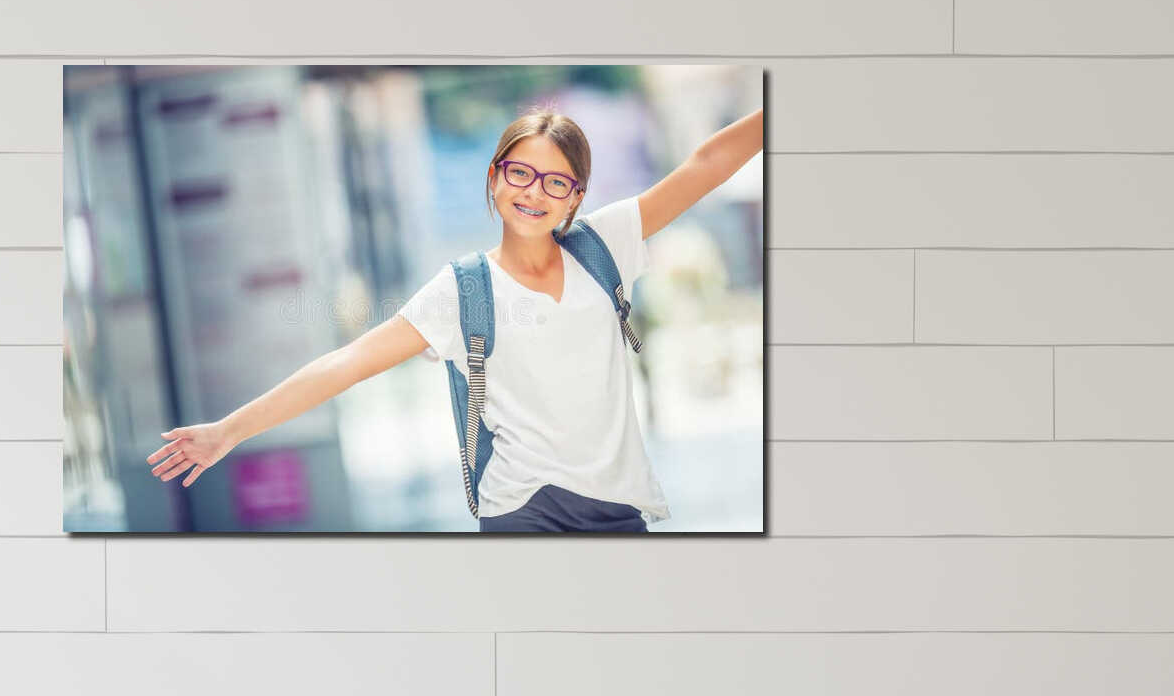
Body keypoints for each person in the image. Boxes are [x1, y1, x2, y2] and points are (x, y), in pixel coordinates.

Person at [146, 104, 764, 532]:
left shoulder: (607, 244)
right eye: (519, 172)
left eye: (556, 181)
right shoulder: (463, 287)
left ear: (576, 196)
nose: (534, 191)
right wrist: (229, 430)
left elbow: (706, 164)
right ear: (495, 180)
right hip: (525, 511)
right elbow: (348, 363)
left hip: (619, 506)